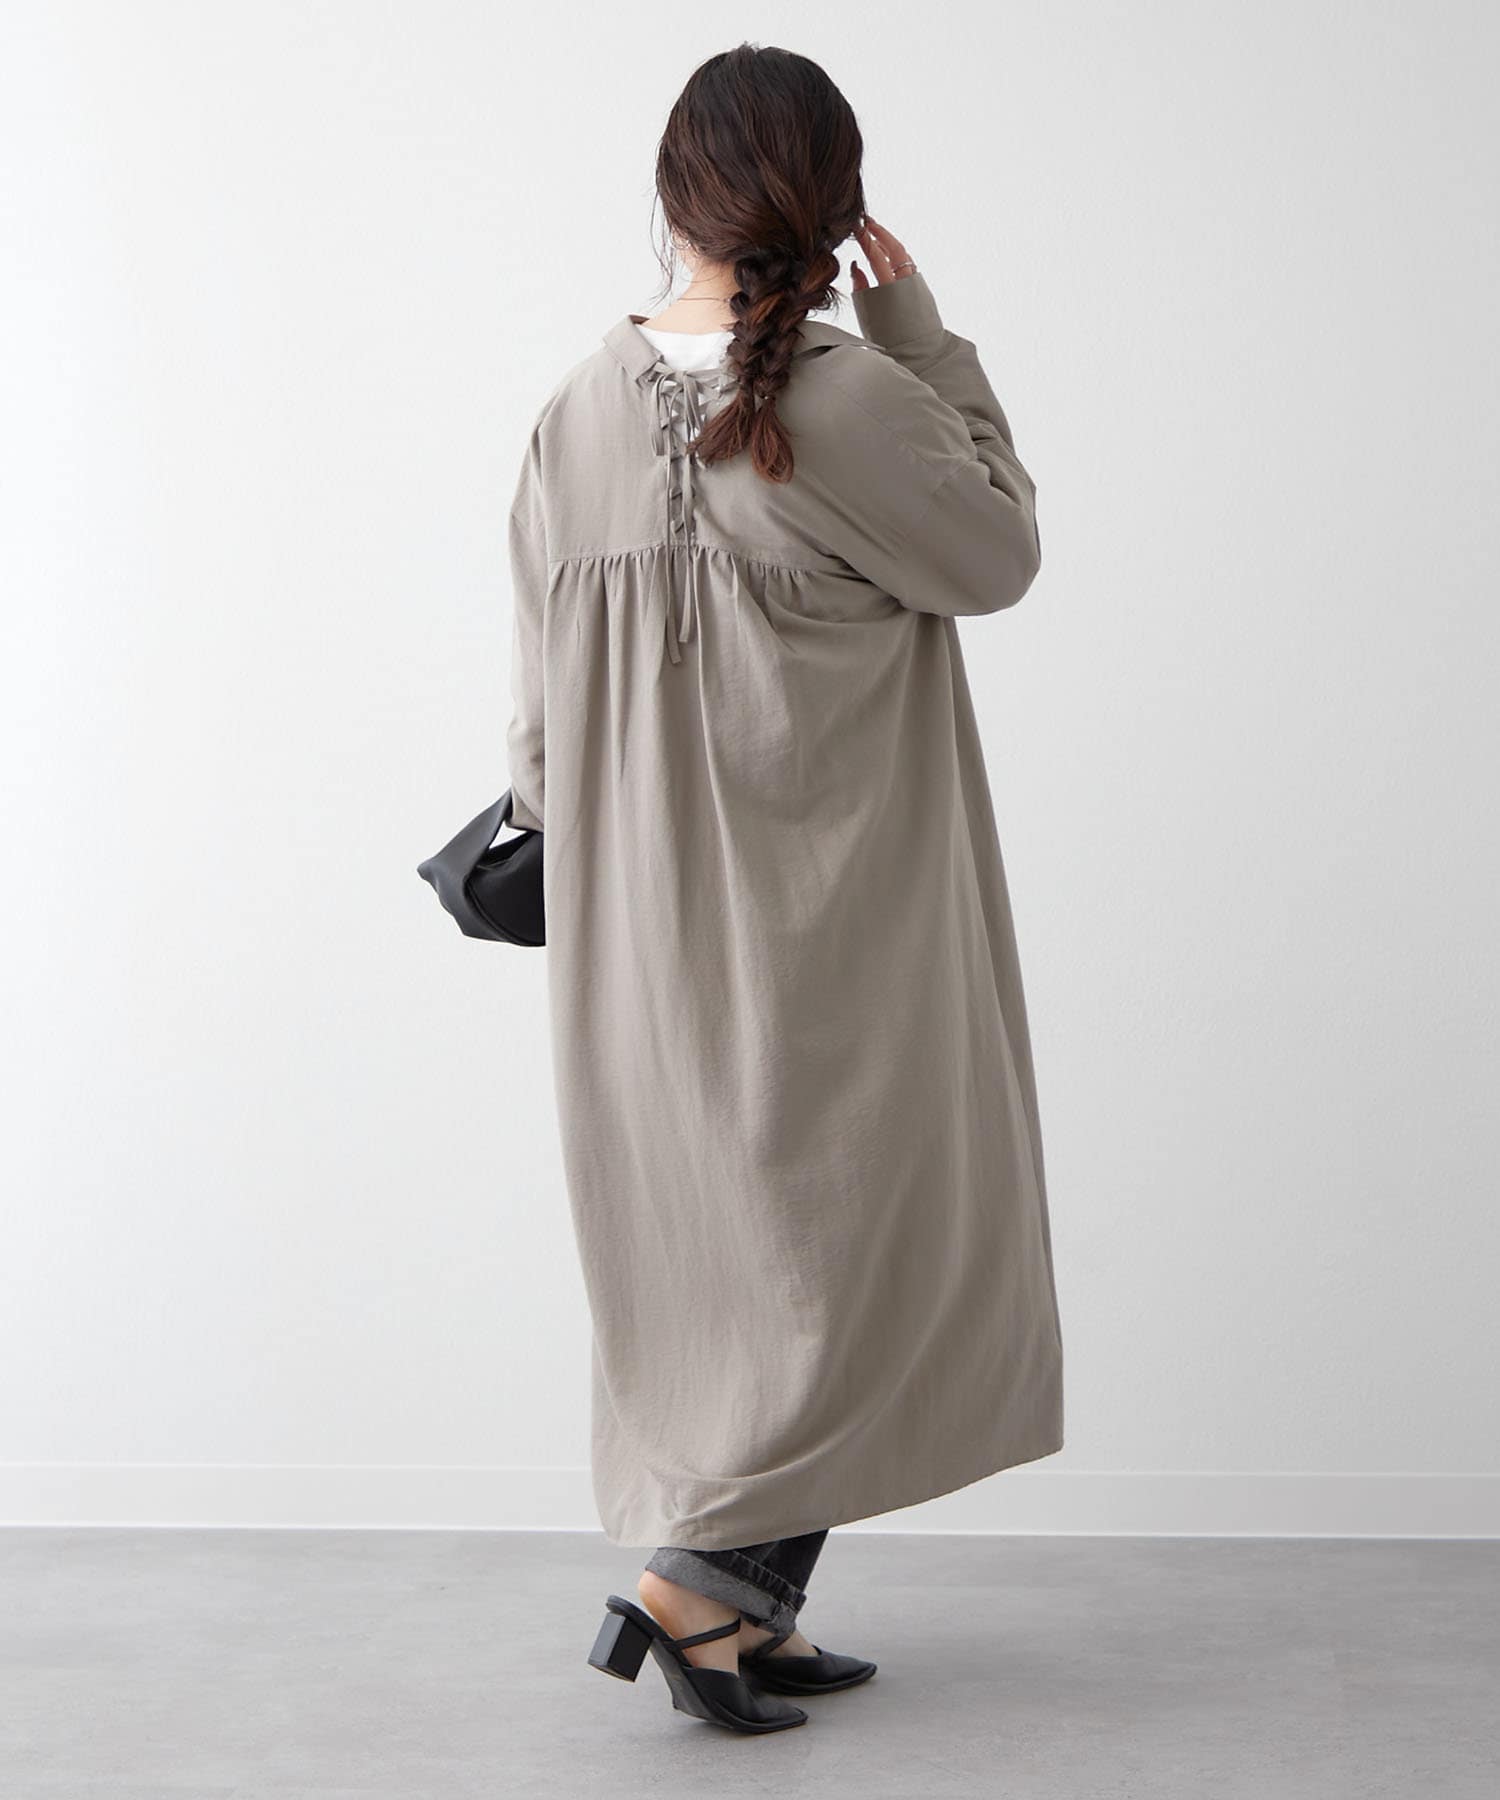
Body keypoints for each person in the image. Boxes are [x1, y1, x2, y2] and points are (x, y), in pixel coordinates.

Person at [502, 44, 1064, 1735]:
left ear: (676, 196)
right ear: (834, 204)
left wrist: (567, 843)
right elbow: (1000, 553)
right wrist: (925, 337)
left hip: (639, 924)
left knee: (741, 1267)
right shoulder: (851, 396)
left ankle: (744, 1608)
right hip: (837, 911)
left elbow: (536, 699)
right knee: (854, 1246)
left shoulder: (576, 408)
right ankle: (692, 1596)